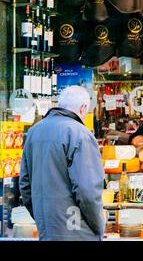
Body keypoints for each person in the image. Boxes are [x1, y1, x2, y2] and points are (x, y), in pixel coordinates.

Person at [19, 86, 105, 241]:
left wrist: (42, 217)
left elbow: (25, 184)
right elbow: (87, 191)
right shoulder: (80, 134)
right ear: (84, 108)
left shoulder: (34, 131)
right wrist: (99, 225)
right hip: (78, 231)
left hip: (47, 229)